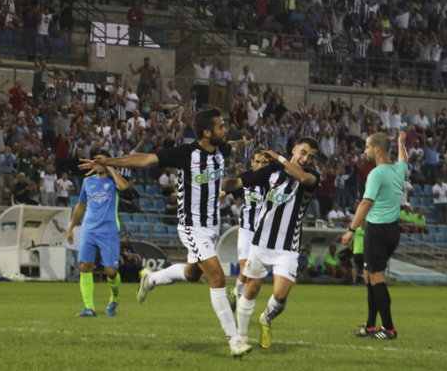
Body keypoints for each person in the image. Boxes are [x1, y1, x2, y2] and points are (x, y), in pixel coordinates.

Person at [82, 108, 252, 357]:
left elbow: (233, 145)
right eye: (221, 127)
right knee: (216, 278)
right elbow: (145, 159)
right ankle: (234, 340)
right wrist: (108, 162)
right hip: (192, 226)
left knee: (192, 274)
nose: (225, 130)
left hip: (212, 226)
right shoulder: (186, 154)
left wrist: (243, 143)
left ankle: (150, 279)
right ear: (207, 132)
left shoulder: (221, 150)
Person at [221, 137, 320, 350]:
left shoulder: (312, 176)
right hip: (261, 243)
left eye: (310, 156)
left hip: (287, 247)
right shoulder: (272, 173)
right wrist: (209, 188)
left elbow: (302, 177)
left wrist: (278, 157)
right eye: (303, 153)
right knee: (252, 288)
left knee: (280, 295)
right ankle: (242, 337)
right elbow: (239, 182)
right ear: (295, 150)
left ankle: (266, 318)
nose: (305, 159)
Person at [342, 130, 408, 340]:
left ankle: (388, 329)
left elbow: (366, 202)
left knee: (377, 278)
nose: (366, 150)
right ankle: (371, 325)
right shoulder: (398, 169)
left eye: (368, 147)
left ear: (377, 149)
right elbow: (403, 158)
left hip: (377, 231)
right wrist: (401, 144)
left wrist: (351, 229)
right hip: (392, 230)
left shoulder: (376, 173)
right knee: (369, 276)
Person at [67, 153, 128, 318]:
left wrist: (110, 166)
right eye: (96, 160)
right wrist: (72, 227)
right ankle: (89, 307)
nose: (97, 163)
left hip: (108, 231)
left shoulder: (113, 181)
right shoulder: (88, 182)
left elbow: (125, 187)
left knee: (111, 272)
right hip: (89, 229)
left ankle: (114, 299)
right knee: (85, 266)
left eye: (101, 160)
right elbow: (80, 205)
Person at [227, 148, 268, 308]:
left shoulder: (273, 183)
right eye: (257, 161)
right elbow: (226, 191)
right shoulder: (244, 180)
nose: (261, 165)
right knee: (245, 267)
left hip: (263, 233)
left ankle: (236, 293)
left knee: (252, 272)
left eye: (264, 162)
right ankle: (240, 302)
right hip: (246, 229)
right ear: (252, 163)